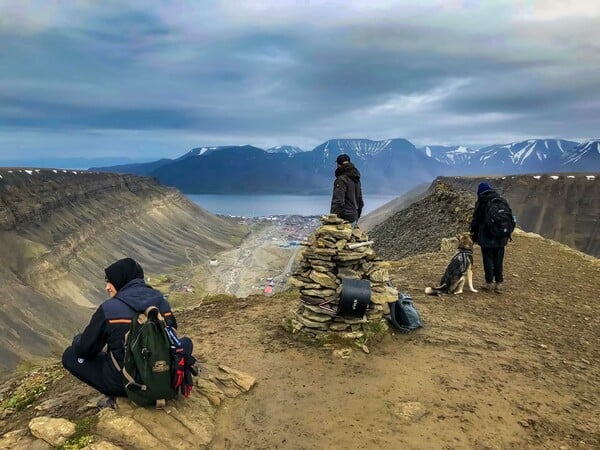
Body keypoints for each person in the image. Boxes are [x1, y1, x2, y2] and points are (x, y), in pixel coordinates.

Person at [62, 257, 192, 408]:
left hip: (127, 384)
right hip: (165, 379)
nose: (107, 287)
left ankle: (117, 397)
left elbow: (85, 350)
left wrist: (78, 340)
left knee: (70, 355)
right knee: (186, 342)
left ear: (120, 280)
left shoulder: (110, 309)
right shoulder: (161, 303)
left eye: (109, 281)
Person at [469, 182, 510, 294]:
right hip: (501, 237)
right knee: (498, 260)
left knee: (488, 260)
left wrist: (473, 233)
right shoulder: (501, 200)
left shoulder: (482, 202)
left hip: (486, 237)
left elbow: (476, 220)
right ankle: (499, 284)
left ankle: (489, 283)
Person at [330, 153, 364, 227]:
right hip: (353, 217)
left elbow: (338, 201)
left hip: (344, 219)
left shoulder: (341, 179)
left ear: (338, 165)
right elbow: (360, 201)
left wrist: (332, 219)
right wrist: (357, 216)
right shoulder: (356, 179)